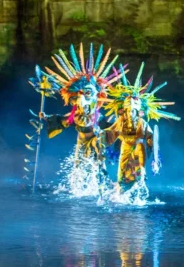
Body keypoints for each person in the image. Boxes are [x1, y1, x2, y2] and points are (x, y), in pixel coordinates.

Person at [35, 44, 123, 195]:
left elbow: (109, 126)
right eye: (82, 94)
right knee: (78, 165)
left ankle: (103, 184)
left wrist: (121, 123)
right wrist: (46, 117)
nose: (85, 97)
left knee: (99, 158)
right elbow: (62, 121)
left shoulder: (97, 115)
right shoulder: (75, 115)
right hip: (81, 141)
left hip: (96, 137)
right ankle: (78, 188)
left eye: (89, 93)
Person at [104, 64, 180, 191]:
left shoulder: (142, 123)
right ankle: (120, 190)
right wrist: (100, 137)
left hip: (139, 148)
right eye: (129, 110)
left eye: (134, 110)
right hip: (125, 147)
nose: (131, 113)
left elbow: (150, 138)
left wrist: (155, 155)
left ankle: (137, 193)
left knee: (139, 173)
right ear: (125, 110)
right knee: (122, 172)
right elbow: (111, 134)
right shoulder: (121, 121)